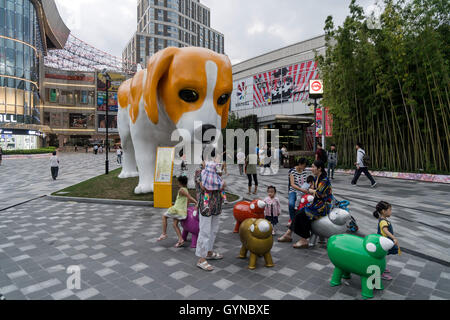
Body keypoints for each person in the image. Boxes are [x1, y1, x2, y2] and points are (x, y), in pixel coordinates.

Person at [279, 160, 333, 248]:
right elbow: (315, 192)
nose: (311, 169)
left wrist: (311, 190)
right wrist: (311, 190)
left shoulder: (324, 180)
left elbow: (319, 194)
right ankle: (288, 234)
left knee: (303, 214)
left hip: (323, 206)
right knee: (299, 212)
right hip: (316, 203)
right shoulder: (316, 178)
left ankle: (304, 239)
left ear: (319, 169)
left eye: (313, 167)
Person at [196, 159, 225, 272]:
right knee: (205, 232)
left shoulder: (216, 170)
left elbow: (222, 183)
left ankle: (208, 252)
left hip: (216, 205)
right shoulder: (200, 172)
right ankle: (201, 259)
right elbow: (204, 187)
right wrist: (220, 184)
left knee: (213, 230)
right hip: (206, 207)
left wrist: (219, 175)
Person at [157, 176, 198, 248]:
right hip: (181, 211)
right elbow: (187, 201)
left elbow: (189, 197)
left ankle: (164, 233)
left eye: (177, 182)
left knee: (164, 216)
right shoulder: (185, 189)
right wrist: (185, 208)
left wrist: (196, 202)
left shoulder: (181, 190)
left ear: (179, 182)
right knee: (174, 224)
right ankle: (181, 239)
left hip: (177, 210)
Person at [373, 201, 400, 281]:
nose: (391, 211)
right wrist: (394, 238)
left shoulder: (383, 219)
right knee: (381, 257)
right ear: (383, 211)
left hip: (384, 242)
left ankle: (382, 268)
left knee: (382, 256)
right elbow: (385, 230)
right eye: (390, 210)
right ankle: (380, 272)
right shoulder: (383, 221)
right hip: (383, 243)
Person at [287, 159, 309, 227]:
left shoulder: (304, 171)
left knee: (303, 205)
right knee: (291, 204)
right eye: (304, 166)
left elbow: (305, 182)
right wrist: (301, 189)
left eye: (305, 166)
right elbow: (292, 184)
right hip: (293, 191)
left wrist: (307, 188)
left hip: (302, 191)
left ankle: (298, 220)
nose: (304, 168)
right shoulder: (292, 171)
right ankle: (292, 220)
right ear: (299, 164)